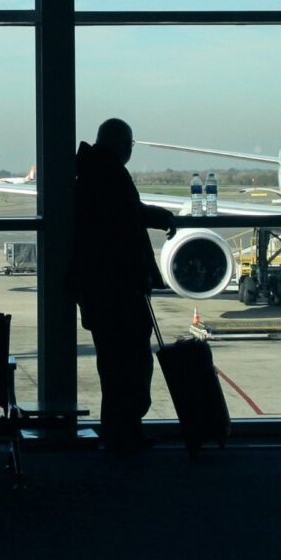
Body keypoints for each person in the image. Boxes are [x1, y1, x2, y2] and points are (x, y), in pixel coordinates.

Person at [72, 118, 179, 455]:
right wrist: (160, 216)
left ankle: (117, 432)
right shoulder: (110, 173)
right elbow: (127, 216)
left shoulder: (90, 170)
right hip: (119, 290)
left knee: (112, 366)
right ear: (123, 145)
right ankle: (125, 433)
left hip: (98, 289)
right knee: (131, 365)